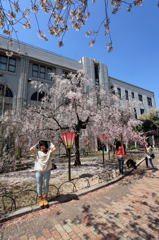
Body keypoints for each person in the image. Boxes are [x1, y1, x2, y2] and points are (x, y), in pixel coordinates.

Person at [30, 140, 56, 208]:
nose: (42, 146)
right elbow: (31, 149)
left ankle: (45, 199)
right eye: (40, 145)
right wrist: (37, 143)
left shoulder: (49, 152)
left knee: (46, 184)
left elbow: (54, 149)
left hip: (47, 172)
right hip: (38, 172)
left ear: (46, 146)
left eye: (43, 145)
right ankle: (41, 199)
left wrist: (50, 143)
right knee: (39, 185)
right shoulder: (37, 152)